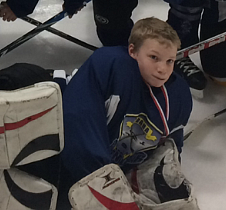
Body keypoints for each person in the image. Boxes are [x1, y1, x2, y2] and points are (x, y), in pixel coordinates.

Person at [60, 18, 194, 194]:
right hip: (64, 159)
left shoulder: (179, 95)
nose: (163, 69)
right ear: (132, 51)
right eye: (154, 57)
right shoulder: (111, 65)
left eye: (170, 61)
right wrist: (103, 182)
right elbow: (78, 119)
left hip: (111, 173)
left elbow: (170, 149)